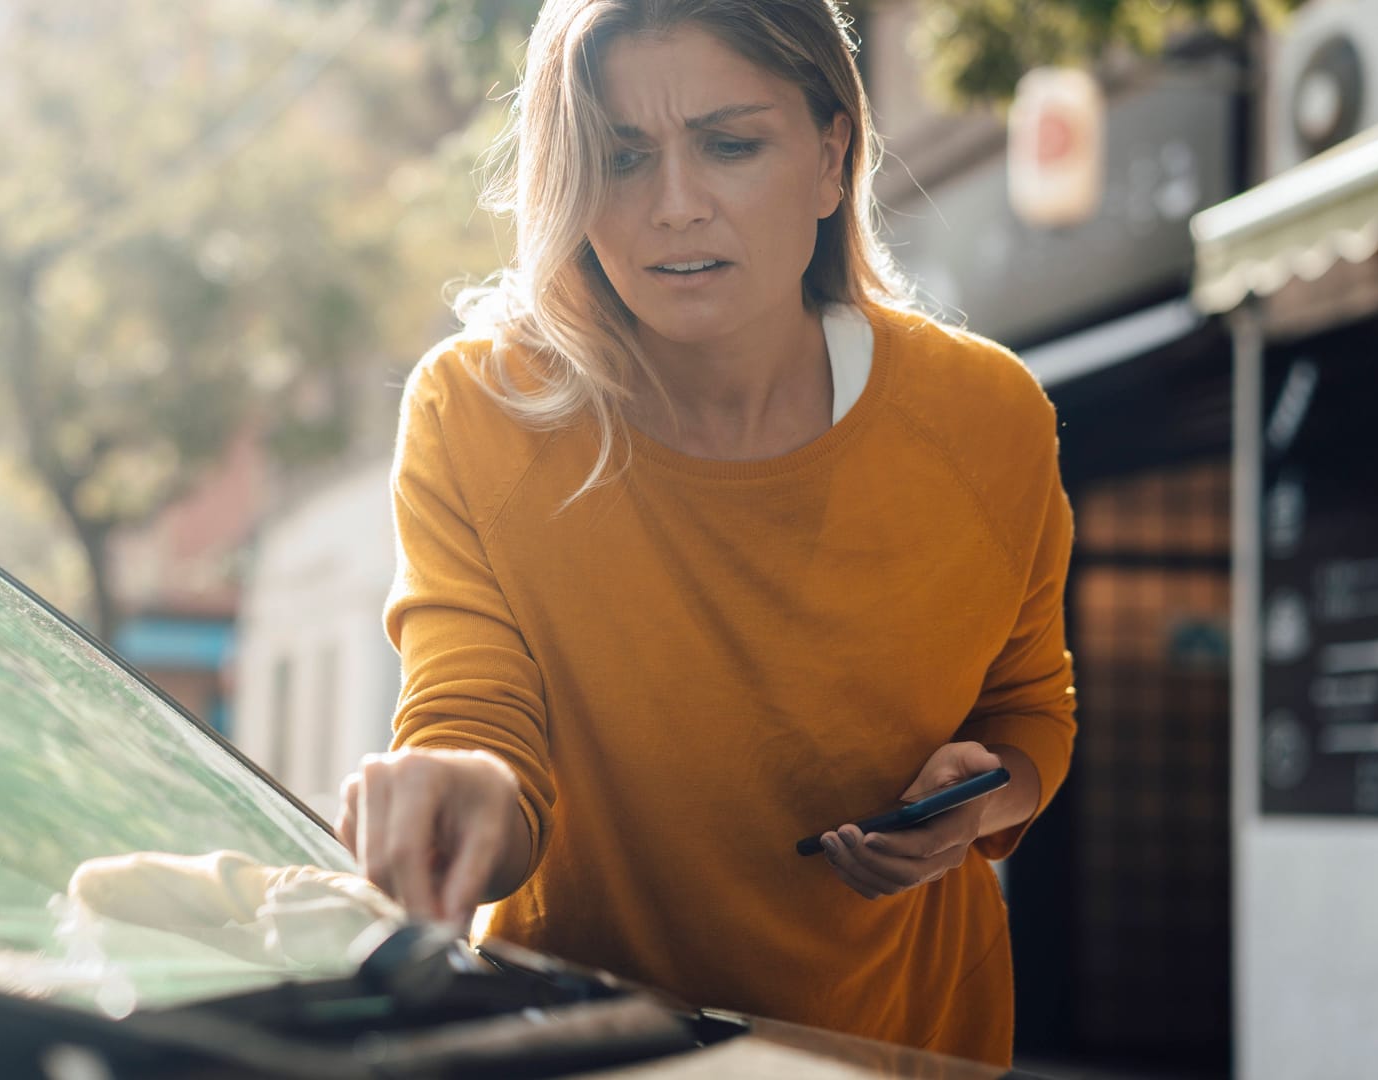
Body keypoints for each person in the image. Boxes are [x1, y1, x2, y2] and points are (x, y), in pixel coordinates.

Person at [336, 0, 1076, 1065]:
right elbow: (472, 715)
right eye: (622, 157)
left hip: (904, 1045)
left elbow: (1032, 710)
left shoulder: (990, 420)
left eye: (730, 145)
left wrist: (980, 798)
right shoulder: (477, 411)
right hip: (581, 1044)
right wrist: (460, 795)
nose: (674, 207)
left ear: (832, 159)